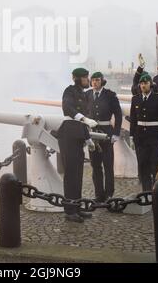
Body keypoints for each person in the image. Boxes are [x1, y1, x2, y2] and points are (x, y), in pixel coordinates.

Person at [59, 67, 97, 223]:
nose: (88, 80)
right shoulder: (69, 91)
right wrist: (84, 119)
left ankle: (77, 206)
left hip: (78, 135)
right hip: (68, 135)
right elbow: (67, 109)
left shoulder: (83, 94)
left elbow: (83, 121)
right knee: (70, 175)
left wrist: (88, 139)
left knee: (78, 174)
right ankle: (69, 210)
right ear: (78, 79)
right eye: (86, 78)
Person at [130, 73, 158, 190]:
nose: (143, 86)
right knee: (143, 166)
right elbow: (133, 119)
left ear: (151, 85)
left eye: (146, 83)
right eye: (141, 83)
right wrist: (132, 136)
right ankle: (146, 193)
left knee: (155, 166)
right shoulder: (136, 99)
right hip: (140, 138)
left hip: (155, 138)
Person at [86, 72, 122, 203]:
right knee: (95, 165)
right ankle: (99, 194)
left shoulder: (110, 95)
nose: (95, 82)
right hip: (92, 133)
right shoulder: (87, 95)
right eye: (93, 80)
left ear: (102, 81)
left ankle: (109, 194)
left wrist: (116, 133)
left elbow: (118, 114)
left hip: (106, 133)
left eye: (97, 80)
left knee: (107, 165)